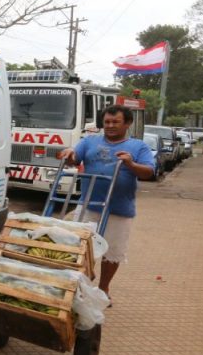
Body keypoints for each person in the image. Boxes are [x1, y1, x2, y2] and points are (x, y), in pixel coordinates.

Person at [58, 105, 156, 298]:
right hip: (88, 205)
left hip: (119, 208)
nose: (110, 126)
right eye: (107, 122)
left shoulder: (138, 146)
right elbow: (74, 159)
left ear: (127, 123)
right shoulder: (89, 141)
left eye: (115, 122)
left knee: (112, 252)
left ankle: (104, 289)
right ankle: (80, 286)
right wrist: (68, 154)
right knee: (82, 248)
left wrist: (131, 163)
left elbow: (149, 172)